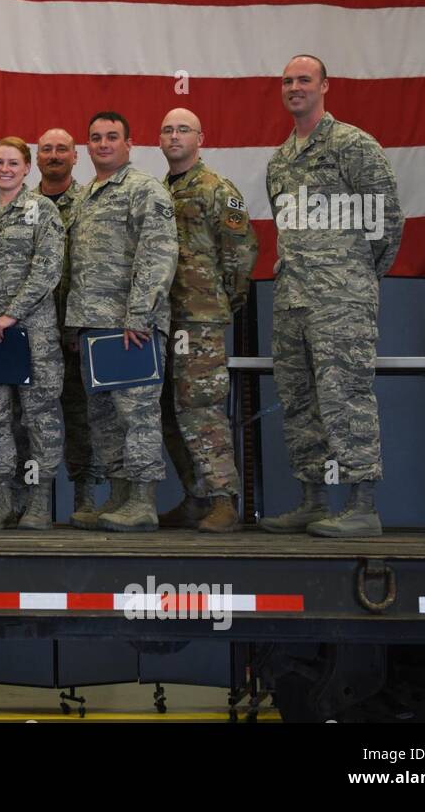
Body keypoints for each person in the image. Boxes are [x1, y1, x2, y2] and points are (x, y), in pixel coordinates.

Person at [259, 54, 403, 538]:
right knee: (299, 401)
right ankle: (313, 500)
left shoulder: (352, 145)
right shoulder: (280, 159)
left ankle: (363, 504)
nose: (294, 87)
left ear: (325, 86)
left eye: (304, 79)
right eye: (287, 81)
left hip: (340, 301)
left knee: (345, 397)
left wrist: (355, 275)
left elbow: (387, 221)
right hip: (292, 299)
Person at [66, 111, 179, 532]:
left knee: (138, 416)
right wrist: (76, 326)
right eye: (95, 137)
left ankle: (142, 501)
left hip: (131, 326)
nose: (103, 144)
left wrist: (141, 314)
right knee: (104, 420)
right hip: (92, 327)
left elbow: (158, 254)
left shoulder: (143, 190)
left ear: (129, 144)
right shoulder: (84, 196)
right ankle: (116, 496)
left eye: (112, 137)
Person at [155, 107, 258, 532]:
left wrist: (220, 301)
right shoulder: (160, 190)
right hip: (163, 317)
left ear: (201, 137)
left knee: (201, 408)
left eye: (183, 129)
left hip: (200, 318)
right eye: (167, 130)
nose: (174, 136)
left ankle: (223, 500)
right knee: (167, 410)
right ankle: (196, 496)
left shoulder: (217, 188)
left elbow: (241, 251)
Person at [0, 136, 64, 530]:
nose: (5, 169)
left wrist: (11, 314)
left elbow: (47, 270)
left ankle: (37, 503)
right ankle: (3, 501)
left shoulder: (44, 211)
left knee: (39, 418)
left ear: (27, 168)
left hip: (31, 334)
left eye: (13, 163)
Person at [35, 128, 96, 516]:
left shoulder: (91, 202)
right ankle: (31, 498)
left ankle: (86, 497)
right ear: (36, 158)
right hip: (32, 328)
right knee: (31, 417)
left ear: (76, 156)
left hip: (77, 326)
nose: (54, 155)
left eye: (62, 149)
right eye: (46, 149)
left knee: (81, 415)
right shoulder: (20, 204)